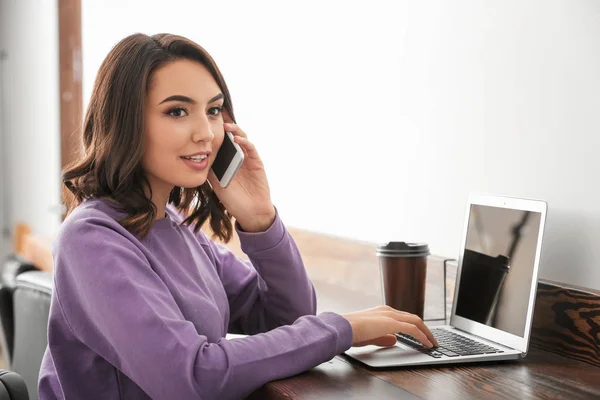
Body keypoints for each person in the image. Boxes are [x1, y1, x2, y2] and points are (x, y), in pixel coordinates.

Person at [38, 33, 438, 400]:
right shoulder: (92, 238)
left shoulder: (173, 224)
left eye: (213, 111)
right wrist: (343, 328)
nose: (206, 133)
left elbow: (287, 318)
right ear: (125, 122)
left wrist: (260, 218)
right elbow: (191, 376)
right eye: (177, 112)